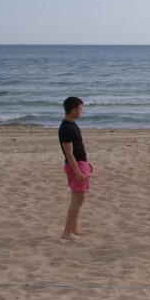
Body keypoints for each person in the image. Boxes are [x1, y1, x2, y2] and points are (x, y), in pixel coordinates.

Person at [59, 96, 92, 240]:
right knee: (79, 199)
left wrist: (86, 162)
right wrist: (78, 172)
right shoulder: (66, 127)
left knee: (76, 198)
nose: (81, 112)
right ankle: (67, 233)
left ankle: (74, 229)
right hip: (75, 166)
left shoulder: (72, 124)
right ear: (73, 110)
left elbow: (78, 148)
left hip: (80, 163)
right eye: (80, 109)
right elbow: (69, 153)